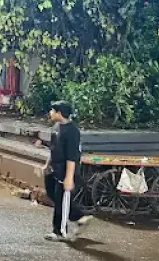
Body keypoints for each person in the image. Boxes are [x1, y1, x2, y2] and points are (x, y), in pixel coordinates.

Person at [43, 101, 92, 241]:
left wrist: (69, 178)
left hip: (65, 171)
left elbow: (72, 157)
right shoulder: (56, 127)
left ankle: (60, 231)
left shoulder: (72, 132)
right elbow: (53, 149)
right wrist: (47, 165)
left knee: (62, 200)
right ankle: (80, 217)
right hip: (55, 168)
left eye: (53, 111)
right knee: (53, 195)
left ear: (59, 113)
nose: (50, 113)